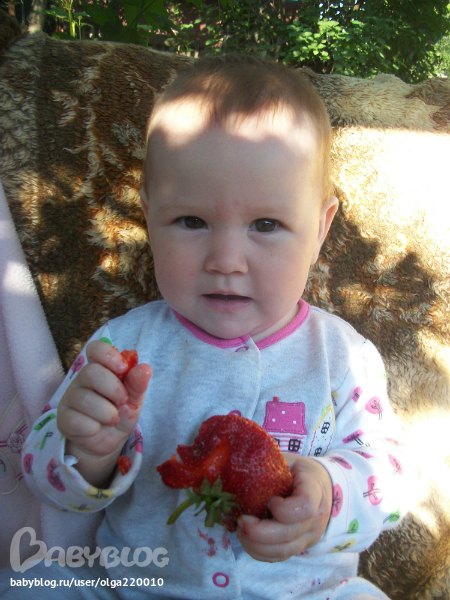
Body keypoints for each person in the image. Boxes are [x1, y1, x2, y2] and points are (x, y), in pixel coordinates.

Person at [5, 55, 410, 599]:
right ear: (150, 218)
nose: (226, 260)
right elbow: (46, 482)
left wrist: (328, 495)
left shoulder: (342, 356)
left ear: (319, 229)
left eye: (266, 224)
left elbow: (391, 478)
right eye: (191, 221)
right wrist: (88, 452)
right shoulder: (122, 350)